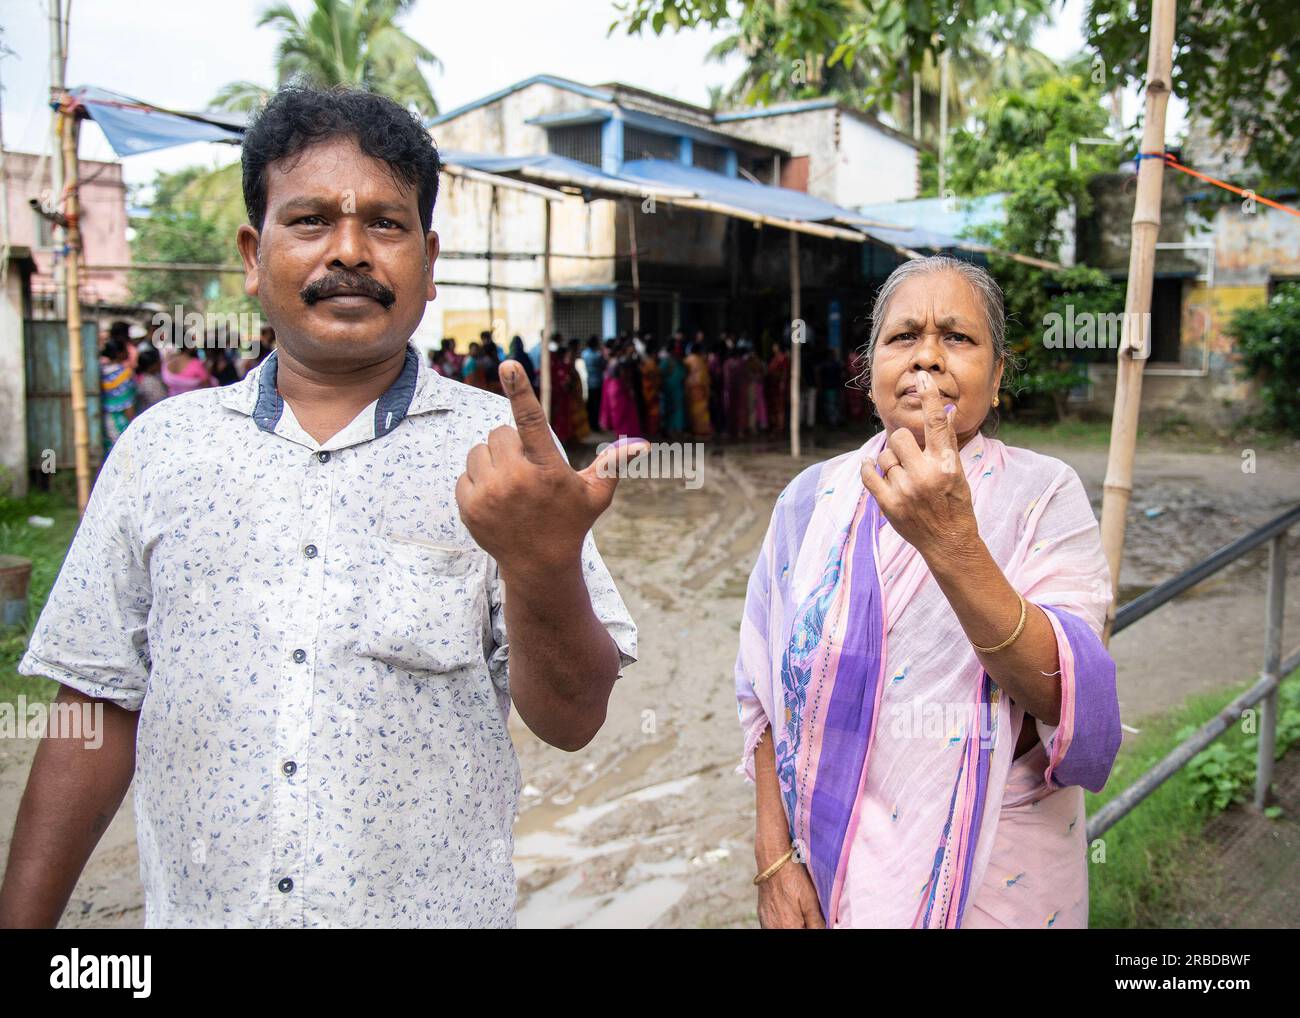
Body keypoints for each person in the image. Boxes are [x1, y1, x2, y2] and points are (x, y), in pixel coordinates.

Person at [1, 85, 641, 931]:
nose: (350, 251)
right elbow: (98, 702)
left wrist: (544, 562)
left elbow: (570, 721)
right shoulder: (161, 451)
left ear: (429, 257)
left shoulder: (505, 454)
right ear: (251, 254)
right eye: (307, 221)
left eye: (385, 223)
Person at [737, 256, 1120, 929]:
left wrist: (952, 543)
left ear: (998, 378)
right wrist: (774, 861)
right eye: (904, 336)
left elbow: (1065, 695)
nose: (928, 359)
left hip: (1000, 878)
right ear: (870, 368)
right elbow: (764, 697)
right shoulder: (808, 502)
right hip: (826, 875)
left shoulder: (1043, 496)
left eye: (959, 338)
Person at [98, 337, 136, 449]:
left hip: (103, 418)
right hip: (120, 419)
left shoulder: (100, 372)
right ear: (119, 353)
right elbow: (129, 403)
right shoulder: (125, 374)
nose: (128, 352)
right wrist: (132, 423)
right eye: (125, 350)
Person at [684, 341, 712, 439]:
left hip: (690, 388)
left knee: (692, 410)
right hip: (700, 388)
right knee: (701, 410)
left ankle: (694, 431)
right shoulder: (702, 361)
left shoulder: (687, 360)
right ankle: (702, 431)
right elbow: (705, 377)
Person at [133, 346, 168, 415]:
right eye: (158, 362)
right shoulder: (150, 383)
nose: (161, 364)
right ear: (152, 366)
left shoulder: (146, 376)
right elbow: (161, 403)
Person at [581, 336, 605, 432]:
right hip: (597, 382)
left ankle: (589, 424)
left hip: (587, 382)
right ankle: (594, 425)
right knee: (596, 405)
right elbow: (603, 365)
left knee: (589, 405)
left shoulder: (584, 354)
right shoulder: (597, 355)